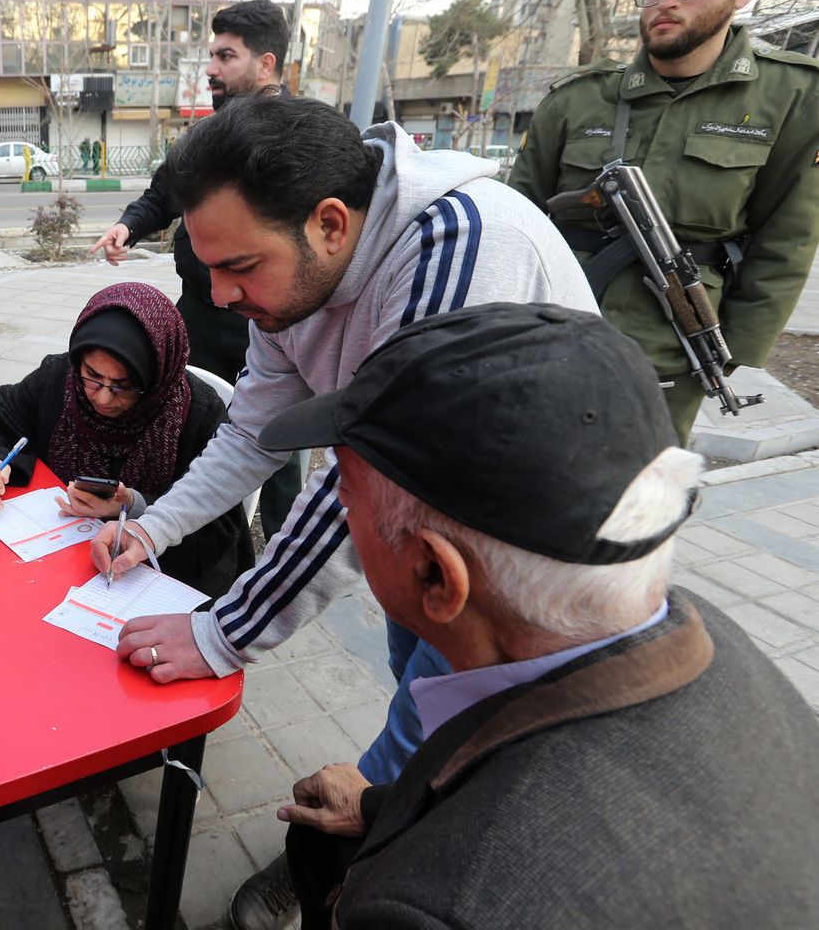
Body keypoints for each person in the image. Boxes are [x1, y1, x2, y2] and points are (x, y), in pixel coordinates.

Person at [93, 96, 596, 930]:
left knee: (438, 740)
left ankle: (354, 871)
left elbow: (370, 475)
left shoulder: (458, 248)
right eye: (207, 267)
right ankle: (393, 838)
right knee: (423, 706)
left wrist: (223, 634)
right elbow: (254, 433)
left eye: (240, 267)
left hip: (527, 558)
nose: (218, 296)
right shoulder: (289, 286)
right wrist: (153, 528)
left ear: (330, 223)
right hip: (429, 539)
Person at [253, 302, 819, 927]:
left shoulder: (432, 904)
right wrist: (378, 805)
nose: (338, 508)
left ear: (438, 575)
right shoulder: (696, 628)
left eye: (345, 493)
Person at [509, 0, 819, 444]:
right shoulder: (579, 97)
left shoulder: (791, 97)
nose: (667, 1)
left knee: (635, 501)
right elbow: (515, 214)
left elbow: (787, 239)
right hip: (546, 327)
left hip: (671, 346)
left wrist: (731, 351)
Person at [91, 0, 304, 541]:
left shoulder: (300, 138)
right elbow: (165, 191)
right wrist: (128, 226)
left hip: (270, 318)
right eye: (211, 55)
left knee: (276, 434)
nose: (211, 68)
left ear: (266, 64)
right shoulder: (209, 135)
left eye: (225, 56)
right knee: (188, 414)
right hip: (199, 313)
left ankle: (279, 545)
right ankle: (180, 517)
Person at [0, 282, 254, 597]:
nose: (101, 397)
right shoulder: (61, 377)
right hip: (47, 562)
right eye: (93, 375)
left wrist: (135, 508)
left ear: (156, 376)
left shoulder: (196, 412)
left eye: (123, 385)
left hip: (150, 581)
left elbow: (219, 528)